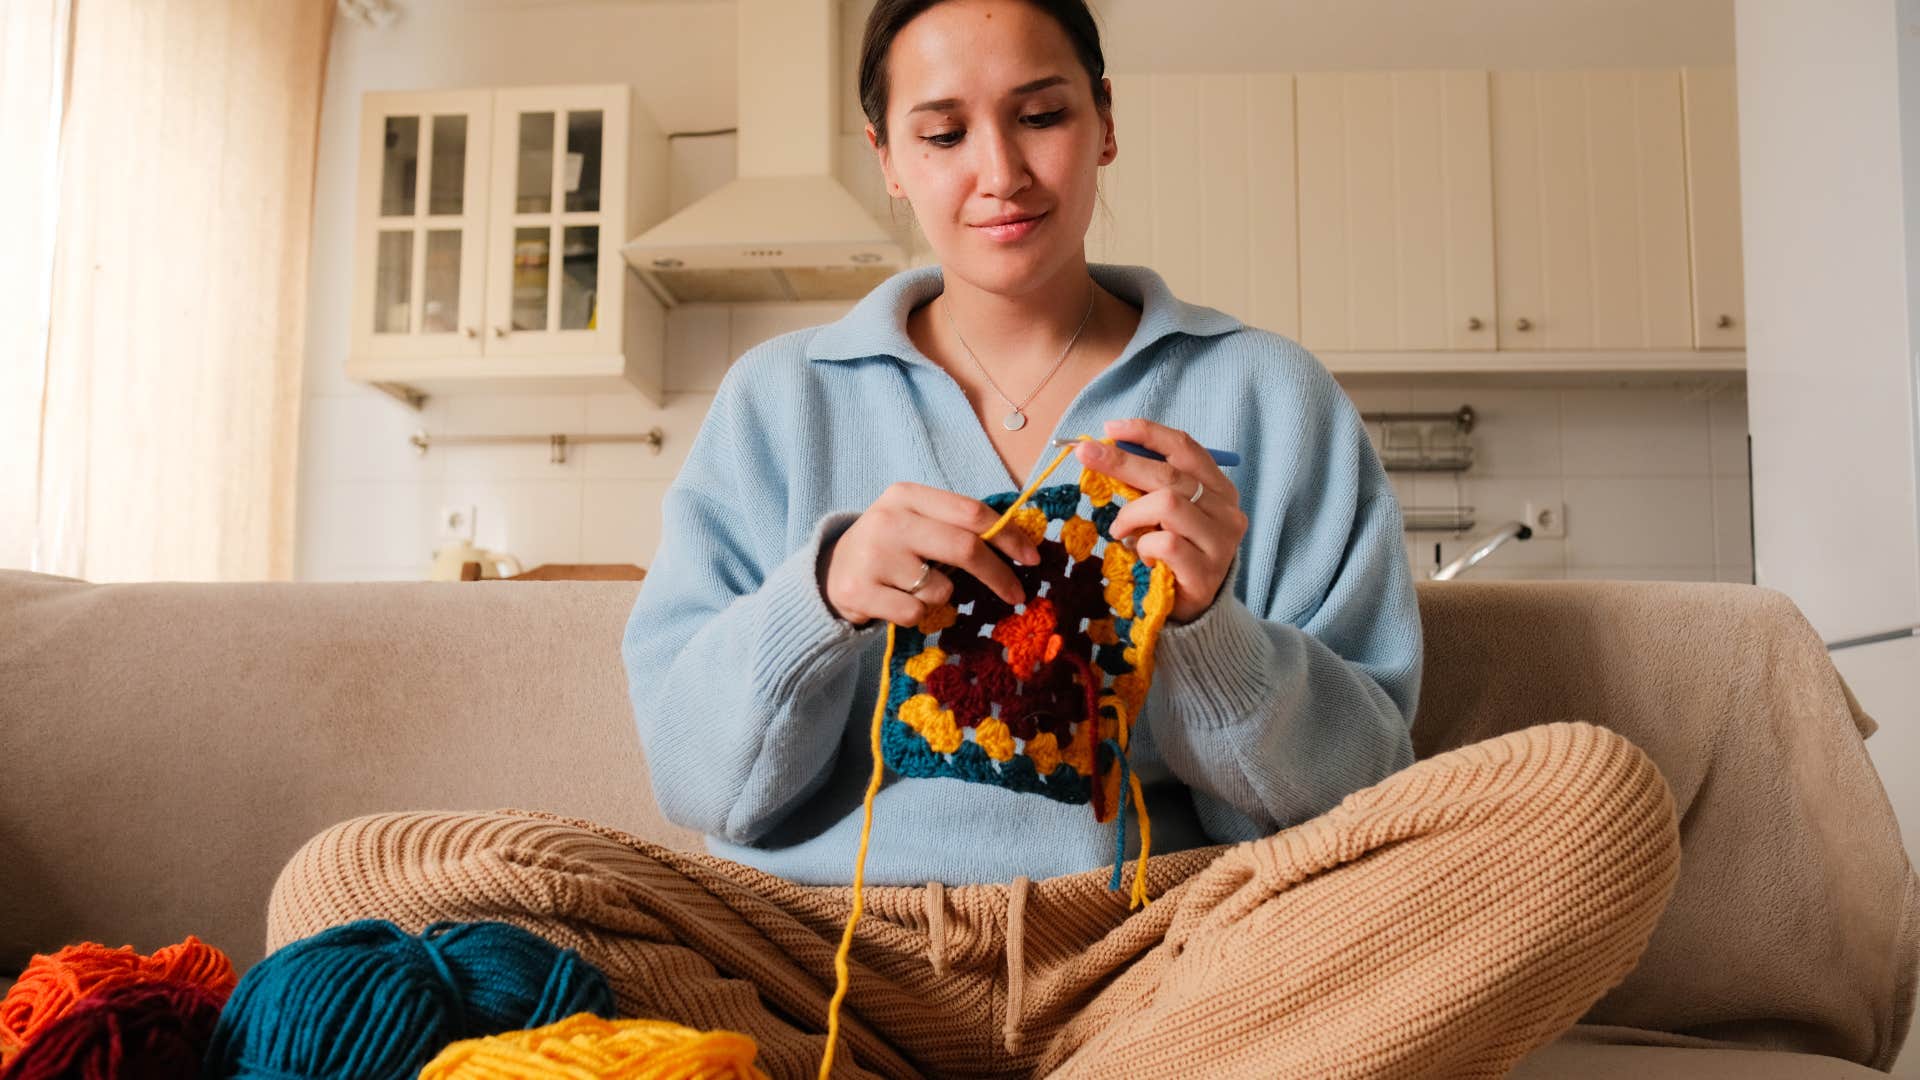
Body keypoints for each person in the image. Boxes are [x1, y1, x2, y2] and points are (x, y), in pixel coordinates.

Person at [267, 2, 1681, 1076]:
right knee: (362, 874)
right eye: (942, 132)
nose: (999, 170)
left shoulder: (1269, 395)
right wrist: (820, 599)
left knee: (1598, 804)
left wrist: (1205, 630)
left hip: (1176, 957)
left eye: (1042, 114)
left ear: (1107, 122)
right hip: (820, 959)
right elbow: (701, 781)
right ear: (887, 159)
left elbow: (1353, 797)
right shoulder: (776, 403)